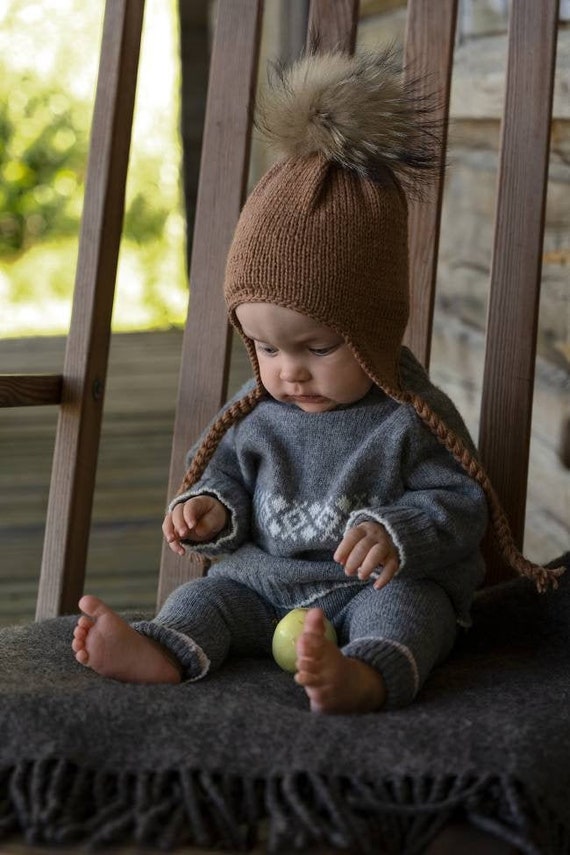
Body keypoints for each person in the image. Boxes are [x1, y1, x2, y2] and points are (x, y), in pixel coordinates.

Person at [72, 49, 562, 713]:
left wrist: (399, 532)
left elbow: (461, 502)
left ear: (374, 331)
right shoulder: (255, 416)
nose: (288, 369)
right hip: (263, 587)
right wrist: (209, 509)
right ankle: (165, 649)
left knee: (415, 611)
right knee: (203, 597)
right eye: (266, 347)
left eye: (319, 345)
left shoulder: (408, 418)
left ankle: (362, 674)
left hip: (369, 588)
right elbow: (225, 481)